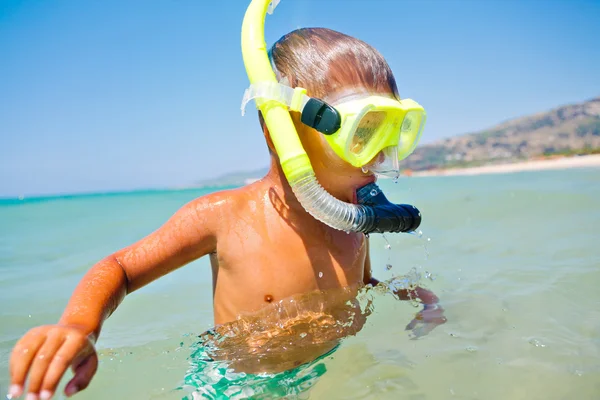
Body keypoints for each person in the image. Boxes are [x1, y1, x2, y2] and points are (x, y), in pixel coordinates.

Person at [7, 4, 446, 400]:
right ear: (280, 128)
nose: (380, 153)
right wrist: (79, 326)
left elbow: (357, 285)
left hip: (323, 370)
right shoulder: (225, 217)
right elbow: (119, 269)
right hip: (236, 384)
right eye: (364, 129)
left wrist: (410, 295)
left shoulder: (352, 218)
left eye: (395, 130)